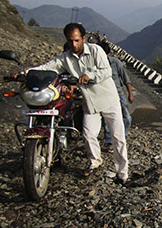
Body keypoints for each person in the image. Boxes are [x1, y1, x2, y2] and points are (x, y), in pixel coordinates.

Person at [13, 23, 128, 184]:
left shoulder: (96, 51)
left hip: (108, 100)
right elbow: (47, 67)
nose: (74, 45)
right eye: (70, 41)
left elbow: (106, 71)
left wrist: (89, 76)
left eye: (76, 40)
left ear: (83, 39)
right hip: (90, 103)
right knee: (88, 135)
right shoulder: (65, 58)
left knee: (118, 138)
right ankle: (95, 162)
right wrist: (24, 73)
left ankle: (123, 174)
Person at [99, 41, 133, 140]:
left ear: (108, 54)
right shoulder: (95, 65)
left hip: (118, 93)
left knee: (126, 117)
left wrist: (130, 94)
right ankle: (109, 141)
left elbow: (125, 79)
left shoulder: (115, 63)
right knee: (108, 119)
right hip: (105, 95)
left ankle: (124, 136)